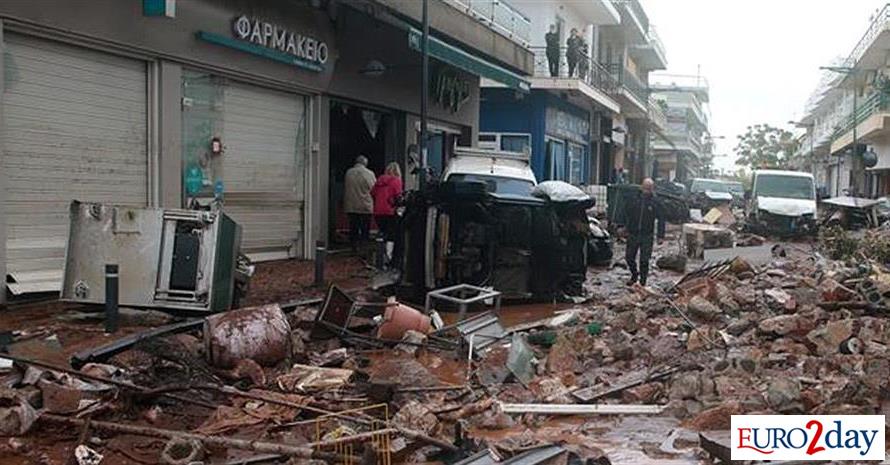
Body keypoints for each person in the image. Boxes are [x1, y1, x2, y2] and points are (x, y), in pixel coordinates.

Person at [623, 178, 664, 286]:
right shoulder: (634, 199)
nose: (646, 191)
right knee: (629, 257)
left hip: (647, 235)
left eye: (649, 188)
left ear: (652, 189)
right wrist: (624, 227)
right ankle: (634, 275)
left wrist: (660, 236)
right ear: (641, 187)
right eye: (645, 188)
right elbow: (626, 214)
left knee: (644, 260)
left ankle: (642, 283)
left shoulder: (655, 202)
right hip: (633, 233)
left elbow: (661, 219)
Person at [371, 162, 403, 264]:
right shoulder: (396, 181)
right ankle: (389, 257)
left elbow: (372, 193)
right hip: (390, 211)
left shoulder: (379, 181)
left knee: (383, 233)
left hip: (378, 212)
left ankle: (380, 256)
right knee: (392, 235)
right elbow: (398, 196)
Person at [343, 155, 376, 252]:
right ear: (365, 163)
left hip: (351, 205)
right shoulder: (369, 174)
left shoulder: (348, 172)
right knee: (365, 228)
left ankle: (353, 247)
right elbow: (374, 188)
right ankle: (364, 247)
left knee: (353, 227)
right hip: (365, 205)